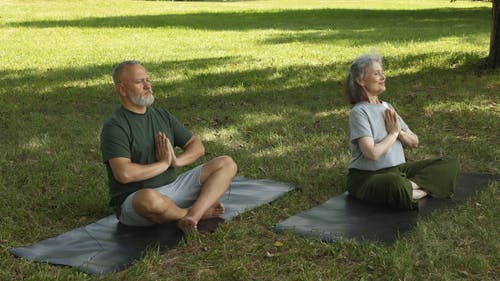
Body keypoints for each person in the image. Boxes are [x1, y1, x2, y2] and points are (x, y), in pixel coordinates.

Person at [101, 60, 237, 232]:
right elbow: (124, 174)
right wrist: (163, 164)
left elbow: (197, 146)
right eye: (139, 82)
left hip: (174, 189)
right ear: (122, 89)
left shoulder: (162, 115)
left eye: (148, 80)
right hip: (137, 200)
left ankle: (192, 216)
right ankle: (193, 213)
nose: (147, 86)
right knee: (149, 199)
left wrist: (176, 162)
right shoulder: (115, 126)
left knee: (226, 163)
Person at [345, 52, 460, 209]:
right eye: (376, 74)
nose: (383, 77)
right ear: (360, 80)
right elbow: (372, 153)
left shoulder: (387, 107)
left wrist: (399, 132)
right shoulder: (359, 112)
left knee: (449, 163)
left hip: (399, 170)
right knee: (394, 184)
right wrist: (392, 134)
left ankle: (411, 189)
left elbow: (414, 141)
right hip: (367, 177)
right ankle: (419, 188)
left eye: (382, 73)